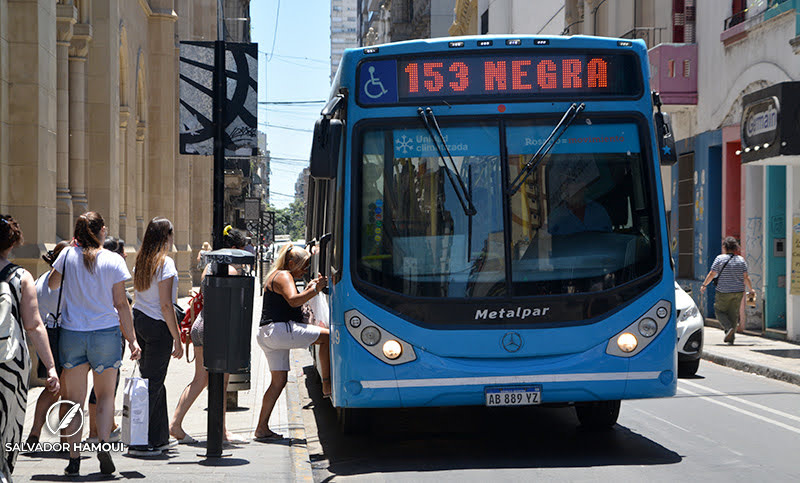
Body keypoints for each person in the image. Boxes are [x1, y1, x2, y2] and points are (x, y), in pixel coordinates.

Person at [48, 211, 141, 476]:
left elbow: (52, 285)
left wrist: (66, 254)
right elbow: (121, 304)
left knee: (74, 401)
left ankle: (74, 459)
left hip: (72, 334)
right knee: (104, 397)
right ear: (101, 231)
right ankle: (103, 445)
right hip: (105, 334)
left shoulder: (67, 255)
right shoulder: (113, 259)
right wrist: (132, 340)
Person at [170, 227, 248, 444]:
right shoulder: (231, 270)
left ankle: (176, 424)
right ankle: (220, 432)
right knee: (221, 381)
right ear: (234, 249)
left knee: (200, 379)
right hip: (217, 329)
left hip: (201, 325)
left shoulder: (208, 266)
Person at [0, 215, 60, 481]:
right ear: (11, 243)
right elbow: (35, 325)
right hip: (10, 360)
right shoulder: (21, 276)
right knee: (8, 419)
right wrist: (50, 367)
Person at [254, 243, 329, 441]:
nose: (305, 270)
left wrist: (312, 288)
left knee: (278, 382)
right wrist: (316, 290)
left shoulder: (275, 275)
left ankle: (261, 428)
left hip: (267, 334)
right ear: (290, 263)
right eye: (303, 266)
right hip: (280, 330)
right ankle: (327, 385)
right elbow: (294, 301)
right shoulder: (284, 276)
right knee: (328, 337)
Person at [131, 218, 183, 454]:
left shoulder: (141, 261)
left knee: (153, 381)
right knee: (152, 384)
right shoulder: (166, 263)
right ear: (166, 236)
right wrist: (178, 338)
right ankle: (140, 441)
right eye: (171, 235)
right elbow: (165, 305)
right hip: (158, 326)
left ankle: (159, 436)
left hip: (140, 321)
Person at [25, 241, 70, 446]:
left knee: (52, 389)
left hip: (46, 338)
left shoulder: (41, 280)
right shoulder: (65, 282)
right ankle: (65, 438)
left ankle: (35, 432)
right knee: (67, 390)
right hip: (62, 336)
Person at [86, 237, 128, 443]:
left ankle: (106, 427)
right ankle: (96, 432)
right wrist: (131, 337)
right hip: (109, 335)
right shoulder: (111, 273)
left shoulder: (96, 273)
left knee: (103, 385)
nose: (126, 255)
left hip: (90, 332)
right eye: (122, 251)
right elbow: (121, 306)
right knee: (105, 387)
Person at [701, 236, 753, 345]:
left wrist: (704, 284)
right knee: (733, 314)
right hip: (738, 291)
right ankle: (731, 338)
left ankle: (728, 328)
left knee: (719, 310)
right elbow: (746, 277)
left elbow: (712, 274)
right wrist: (751, 289)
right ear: (735, 247)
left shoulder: (720, 259)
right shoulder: (741, 260)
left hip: (723, 291)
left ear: (724, 247)